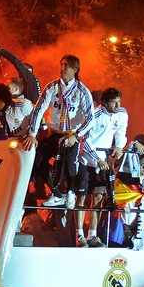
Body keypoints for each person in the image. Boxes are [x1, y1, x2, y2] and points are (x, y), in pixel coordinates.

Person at [21, 55, 95, 209]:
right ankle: (57, 193)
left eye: (66, 66)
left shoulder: (82, 91)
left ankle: (70, 192)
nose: (62, 69)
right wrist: (32, 135)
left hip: (71, 134)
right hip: (53, 132)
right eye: (61, 65)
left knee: (69, 163)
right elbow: (39, 109)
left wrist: (76, 135)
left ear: (75, 70)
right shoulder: (52, 87)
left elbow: (90, 119)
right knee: (37, 158)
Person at [76, 87, 128, 247]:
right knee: (82, 198)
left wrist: (119, 146)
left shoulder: (122, 113)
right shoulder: (95, 115)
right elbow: (85, 140)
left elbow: (121, 132)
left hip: (104, 160)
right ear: (104, 103)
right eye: (114, 102)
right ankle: (79, 235)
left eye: (119, 101)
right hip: (86, 159)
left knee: (98, 197)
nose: (118, 105)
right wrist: (96, 159)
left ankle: (92, 235)